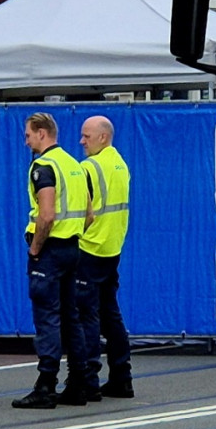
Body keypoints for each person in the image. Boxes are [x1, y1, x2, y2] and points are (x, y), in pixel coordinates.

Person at [12, 112, 97, 409]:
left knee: (47, 317)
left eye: (28, 135)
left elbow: (46, 214)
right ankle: (78, 384)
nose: (26, 142)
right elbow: (89, 215)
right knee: (71, 317)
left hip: (49, 251)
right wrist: (72, 235)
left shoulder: (44, 166)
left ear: (41, 133)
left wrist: (36, 248)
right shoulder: (75, 165)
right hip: (72, 248)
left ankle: (45, 385)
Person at [79, 115, 133, 398]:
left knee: (86, 317)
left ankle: (88, 379)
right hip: (112, 247)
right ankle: (122, 377)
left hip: (89, 247)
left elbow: (83, 213)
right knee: (111, 315)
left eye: (87, 136)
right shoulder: (120, 164)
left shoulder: (89, 167)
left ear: (103, 137)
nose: (82, 141)